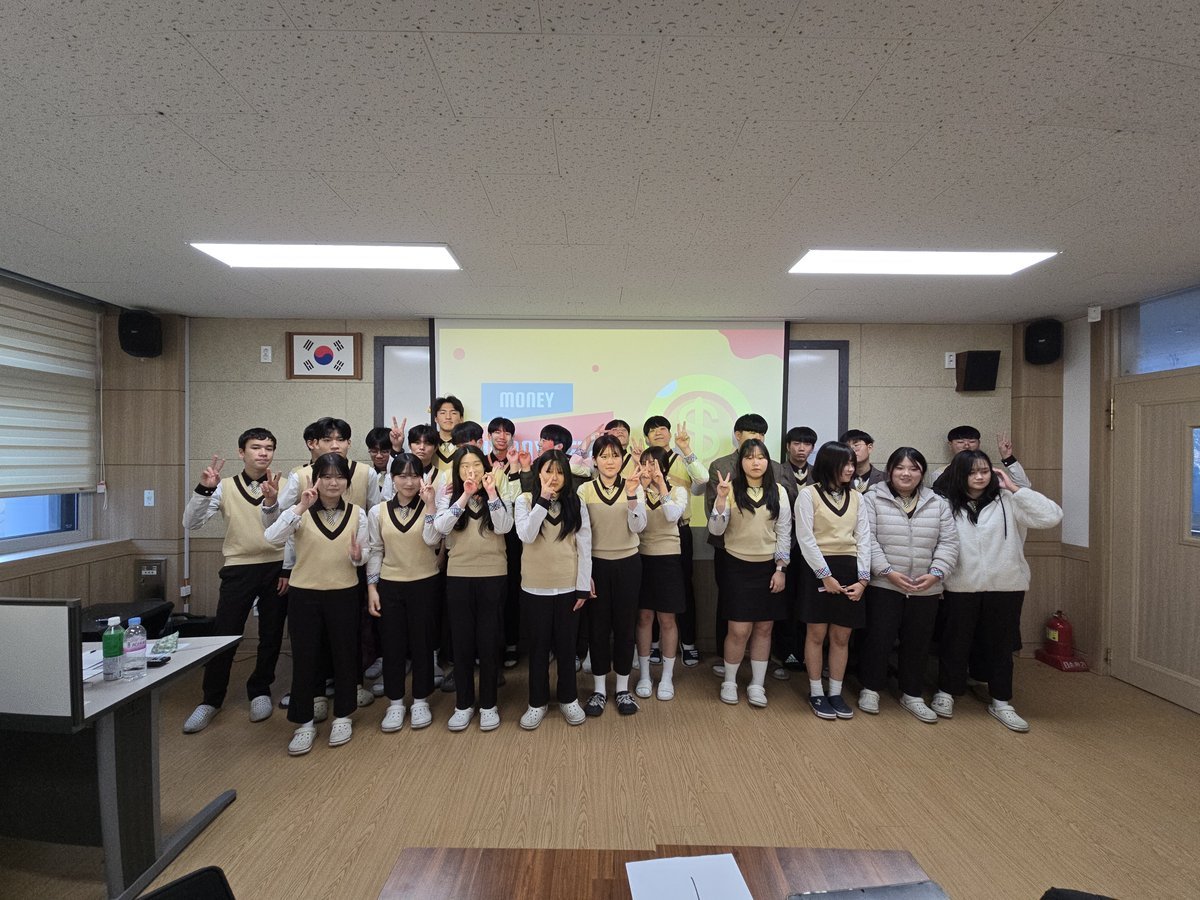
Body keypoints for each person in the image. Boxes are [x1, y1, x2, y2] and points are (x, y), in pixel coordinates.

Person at [931, 450, 1062, 732]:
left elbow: (1051, 517)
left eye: (984, 471)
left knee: (1001, 646)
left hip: (1006, 585)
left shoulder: (1010, 500)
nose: (979, 477)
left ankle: (1001, 700)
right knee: (955, 641)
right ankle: (947, 691)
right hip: (960, 584)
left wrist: (1015, 488)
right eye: (972, 472)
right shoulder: (946, 503)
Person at [181, 428, 287, 733]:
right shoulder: (224, 486)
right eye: (256, 447)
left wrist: (288, 569)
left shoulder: (283, 484)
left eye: (269, 447)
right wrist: (204, 489)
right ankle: (211, 700)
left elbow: (292, 528)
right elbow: (191, 523)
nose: (263, 453)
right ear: (242, 452)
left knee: (271, 634)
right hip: (239, 568)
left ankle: (260, 690)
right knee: (225, 633)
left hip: (277, 567)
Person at [264, 453, 368, 756]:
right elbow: (272, 537)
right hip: (304, 595)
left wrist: (357, 555)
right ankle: (304, 722)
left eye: (340, 476)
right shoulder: (299, 511)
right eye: (327, 476)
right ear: (316, 479)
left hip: (344, 593)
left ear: (347, 481)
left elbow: (362, 555)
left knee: (345, 656)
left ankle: (343, 717)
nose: (333, 482)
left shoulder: (358, 513)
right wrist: (300, 506)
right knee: (305, 657)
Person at [859, 447, 958, 722]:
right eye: (900, 468)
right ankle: (871, 688)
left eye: (914, 468)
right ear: (890, 471)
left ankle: (912, 693)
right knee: (878, 639)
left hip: (926, 587)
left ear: (922, 473)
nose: (906, 473)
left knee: (918, 642)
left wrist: (936, 573)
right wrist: (887, 571)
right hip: (884, 584)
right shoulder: (872, 498)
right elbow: (867, 539)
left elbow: (949, 542)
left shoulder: (938, 503)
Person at [706, 414, 798, 677]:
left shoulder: (778, 488)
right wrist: (721, 500)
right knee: (737, 628)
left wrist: (781, 568)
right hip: (735, 563)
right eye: (749, 457)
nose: (756, 462)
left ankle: (758, 682)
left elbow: (784, 529)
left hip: (769, 566)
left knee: (764, 628)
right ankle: (730, 679)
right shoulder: (728, 483)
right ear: (740, 461)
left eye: (760, 457)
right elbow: (716, 528)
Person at [432, 445, 513, 732]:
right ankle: (463, 704)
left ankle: (489, 704)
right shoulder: (449, 495)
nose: (471, 470)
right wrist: (464, 495)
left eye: (477, 464)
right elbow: (441, 528)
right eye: (465, 465)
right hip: (459, 575)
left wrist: (491, 493)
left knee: (489, 641)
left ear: (485, 467)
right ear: (457, 470)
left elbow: (504, 527)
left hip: (494, 574)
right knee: (462, 642)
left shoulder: (498, 492)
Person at [514, 450, 593, 729]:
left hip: (568, 587)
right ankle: (537, 702)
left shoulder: (576, 502)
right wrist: (543, 500)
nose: (554, 477)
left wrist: (583, 587)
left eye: (560, 472)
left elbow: (584, 545)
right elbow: (526, 534)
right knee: (538, 649)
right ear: (538, 473)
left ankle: (569, 699)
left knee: (567, 648)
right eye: (549, 471)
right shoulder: (524, 500)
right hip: (535, 588)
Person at [794, 441, 871, 720]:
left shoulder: (858, 497)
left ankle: (836, 692)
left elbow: (864, 538)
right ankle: (816, 691)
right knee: (816, 634)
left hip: (850, 570)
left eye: (852, 463)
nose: (850, 469)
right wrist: (824, 575)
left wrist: (863, 580)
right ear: (829, 465)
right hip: (818, 569)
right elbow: (805, 538)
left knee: (842, 636)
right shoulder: (808, 495)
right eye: (845, 464)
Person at [365, 453, 441, 732]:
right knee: (392, 644)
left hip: (425, 583)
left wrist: (431, 504)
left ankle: (421, 699)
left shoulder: (432, 506)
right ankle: (395, 702)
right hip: (390, 584)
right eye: (402, 476)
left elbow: (432, 540)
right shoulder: (378, 512)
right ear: (392, 479)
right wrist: (372, 587)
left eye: (414, 475)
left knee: (423, 643)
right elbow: (375, 550)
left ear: (423, 478)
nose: (409, 482)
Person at [578, 434, 646, 716]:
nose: (610, 461)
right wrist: (585, 573)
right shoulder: (584, 490)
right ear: (594, 460)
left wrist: (631, 495)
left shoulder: (634, 486)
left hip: (628, 563)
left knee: (625, 627)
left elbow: (638, 526)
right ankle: (598, 690)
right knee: (597, 627)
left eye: (615, 455)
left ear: (622, 459)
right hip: (596, 565)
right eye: (603, 456)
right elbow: (581, 535)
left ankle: (622, 689)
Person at [643, 416, 709, 668]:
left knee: (682, 587)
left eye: (662, 428)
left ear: (670, 434)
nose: (658, 432)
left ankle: (688, 641)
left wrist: (687, 449)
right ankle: (655, 643)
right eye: (652, 430)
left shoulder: (683, 460)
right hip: (647, 533)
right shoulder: (642, 462)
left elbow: (702, 482)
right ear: (647, 438)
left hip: (679, 530)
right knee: (650, 591)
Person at [633, 445, 688, 702]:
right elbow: (634, 524)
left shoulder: (678, 491)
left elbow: (671, 515)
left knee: (667, 619)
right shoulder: (635, 490)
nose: (649, 468)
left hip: (668, 560)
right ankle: (644, 674)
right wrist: (641, 488)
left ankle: (667, 676)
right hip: (640, 558)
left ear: (664, 466)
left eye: (654, 463)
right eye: (644, 463)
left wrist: (661, 486)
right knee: (644, 617)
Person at [773, 425, 818, 677]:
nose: (802, 449)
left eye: (807, 444)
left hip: (812, 547)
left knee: (807, 599)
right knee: (784, 600)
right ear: (788, 446)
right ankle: (784, 652)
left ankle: (804, 652)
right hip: (784, 543)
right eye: (797, 443)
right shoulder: (775, 471)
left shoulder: (819, 473)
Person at [930, 426, 1031, 492]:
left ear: (979, 444)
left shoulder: (989, 472)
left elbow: (1024, 487)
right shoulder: (940, 473)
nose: (966, 446)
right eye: (960, 442)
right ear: (950, 445)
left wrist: (1008, 458)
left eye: (972, 441)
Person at [839, 429, 886, 493]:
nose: (852, 450)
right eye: (847, 447)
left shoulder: (886, 478)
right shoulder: (838, 479)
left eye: (856, 445)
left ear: (869, 448)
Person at [432, 395, 465, 474]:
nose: (448, 417)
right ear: (436, 418)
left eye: (453, 413)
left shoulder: (466, 444)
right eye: (443, 413)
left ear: (461, 418)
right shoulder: (428, 443)